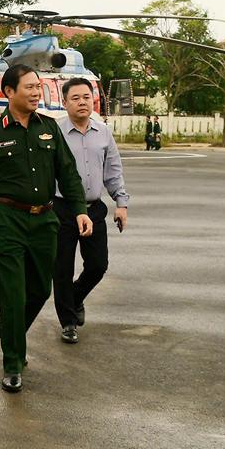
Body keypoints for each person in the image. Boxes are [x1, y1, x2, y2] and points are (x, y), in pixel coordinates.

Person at [0, 63, 92, 393]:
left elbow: (69, 174)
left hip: (45, 220)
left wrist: (79, 210)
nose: (37, 93)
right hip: (8, 220)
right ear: (9, 92)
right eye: (29, 87)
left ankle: (9, 329)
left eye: (39, 87)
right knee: (13, 291)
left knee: (40, 290)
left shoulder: (49, 129)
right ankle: (13, 362)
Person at [53, 79, 129, 344]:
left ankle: (74, 299)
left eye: (86, 96)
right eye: (75, 98)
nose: (82, 102)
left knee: (98, 265)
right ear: (64, 102)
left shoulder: (103, 132)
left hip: (94, 208)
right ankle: (68, 322)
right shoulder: (55, 132)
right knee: (61, 268)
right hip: (62, 209)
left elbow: (113, 170)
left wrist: (121, 203)